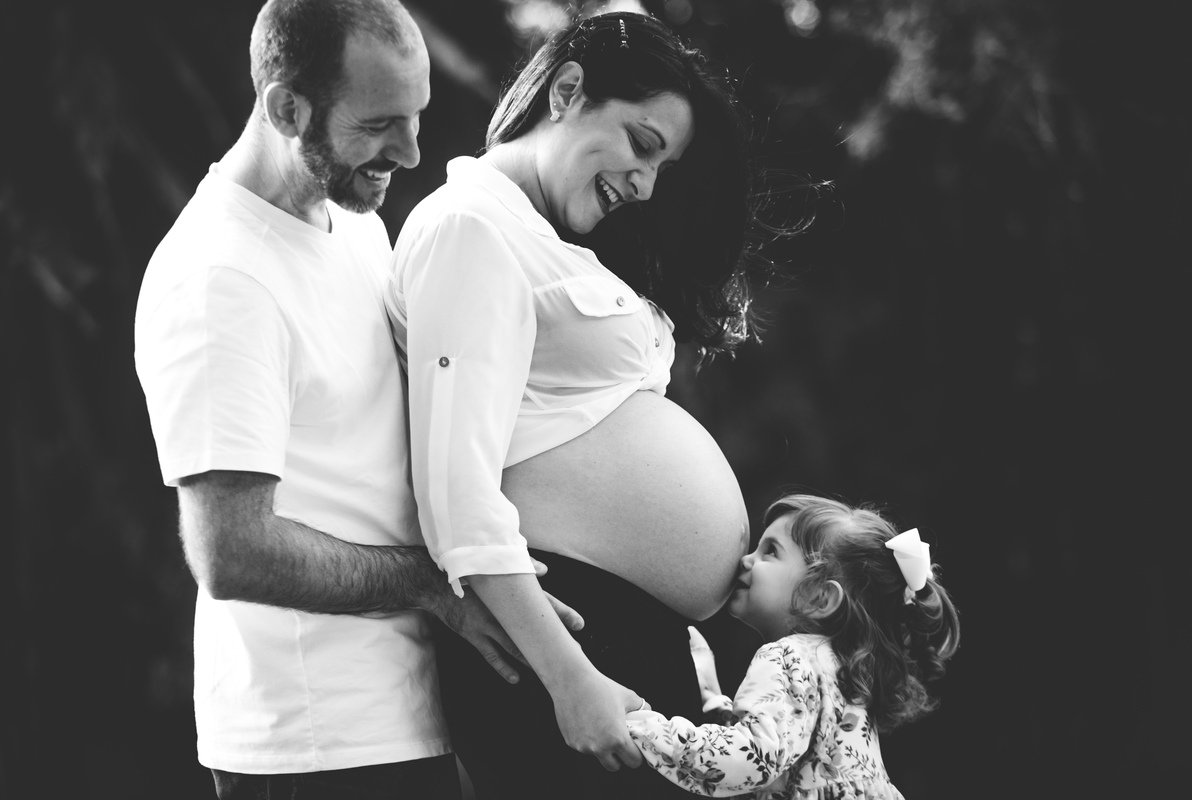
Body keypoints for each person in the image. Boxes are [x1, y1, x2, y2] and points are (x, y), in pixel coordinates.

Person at [134, 1, 578, 797]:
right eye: (380, 124)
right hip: (313, 748)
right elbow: (229, 550)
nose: (409, 151)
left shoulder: (352, 222)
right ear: (285, 108)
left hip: (405, 715)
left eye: (417, 117)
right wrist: (426, 585)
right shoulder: (218, 280)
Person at [385, 10, 763, 798]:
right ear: (566, 91)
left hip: (620, 637)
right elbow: (454, 491)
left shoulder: (543, 238)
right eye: (642, 145)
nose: (646, 184)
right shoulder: (469, 230)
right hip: (567, 644)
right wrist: (572, 682)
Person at [626, 494, 961, 798]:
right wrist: (719, 705)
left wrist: (640, 725)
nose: (746, 560)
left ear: (821, 597)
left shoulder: (788, 656)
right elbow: (790, 751)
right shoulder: (842, 668)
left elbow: (752, 760)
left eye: (770, 551)